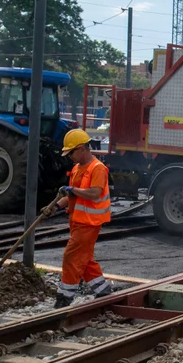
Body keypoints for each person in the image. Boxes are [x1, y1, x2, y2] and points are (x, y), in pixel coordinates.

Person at [44, 128, 113, 308]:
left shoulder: (98, 168)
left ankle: (64, 297)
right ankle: (103, 290)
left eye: (71, 152)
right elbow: (72, 195)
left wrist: (72, 190)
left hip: (89, 223)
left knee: (71, 256)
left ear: (82, 148)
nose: (69, 156)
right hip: (77, 221)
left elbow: (94, 193)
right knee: (85, 258)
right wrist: (57, 206)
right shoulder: (77, 168)